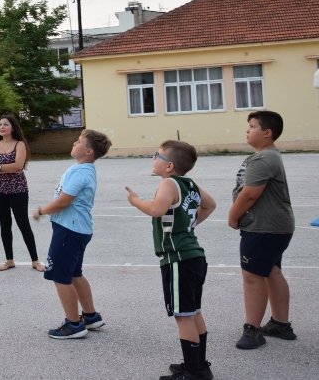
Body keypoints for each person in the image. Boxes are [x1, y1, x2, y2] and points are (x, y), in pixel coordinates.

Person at [126, 141, 217, 380]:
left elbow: (156, 209)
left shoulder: (168, 183)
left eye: (158, 155)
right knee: (194, 311)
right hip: (194, 255)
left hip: (178, 258)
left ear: (169, 166)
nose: (154, 158)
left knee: (183, 315)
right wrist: (189, 225)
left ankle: (193, 372)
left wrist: (135, 200)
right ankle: (199, 365)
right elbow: (210, 205)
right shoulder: (190, 184)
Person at [31, 129, 112, 339]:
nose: (74, 143)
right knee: (75, 273)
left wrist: (41, 210)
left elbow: (64, 200)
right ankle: (91, 316)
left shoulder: (81, 172)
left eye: (78, 142)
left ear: (89, 151)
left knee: (60, 275)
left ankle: (73, 324)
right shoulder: (84, 169)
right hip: (78, 230)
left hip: (69, 230)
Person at [228, 110, 296, 350]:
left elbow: (249, 194)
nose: (248, 130)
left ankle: (253, 329)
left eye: (253, 126)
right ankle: (280, 324)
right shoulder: (267, 156)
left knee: (252, 276)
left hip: (263, 227)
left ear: (267, 133)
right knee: (271, 271)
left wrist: (233, 215)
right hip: (274, 226)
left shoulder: (264, 159)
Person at [0, 114, 45, 272]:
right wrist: (4, 167)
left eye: (5, 124)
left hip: (18, 190)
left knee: (23, 224)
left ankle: (35, 260)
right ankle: (9, 260)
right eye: (0, 124)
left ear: (13, 127)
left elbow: (18, 166)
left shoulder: (19, 144)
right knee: (5, 224)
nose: (2, 127)